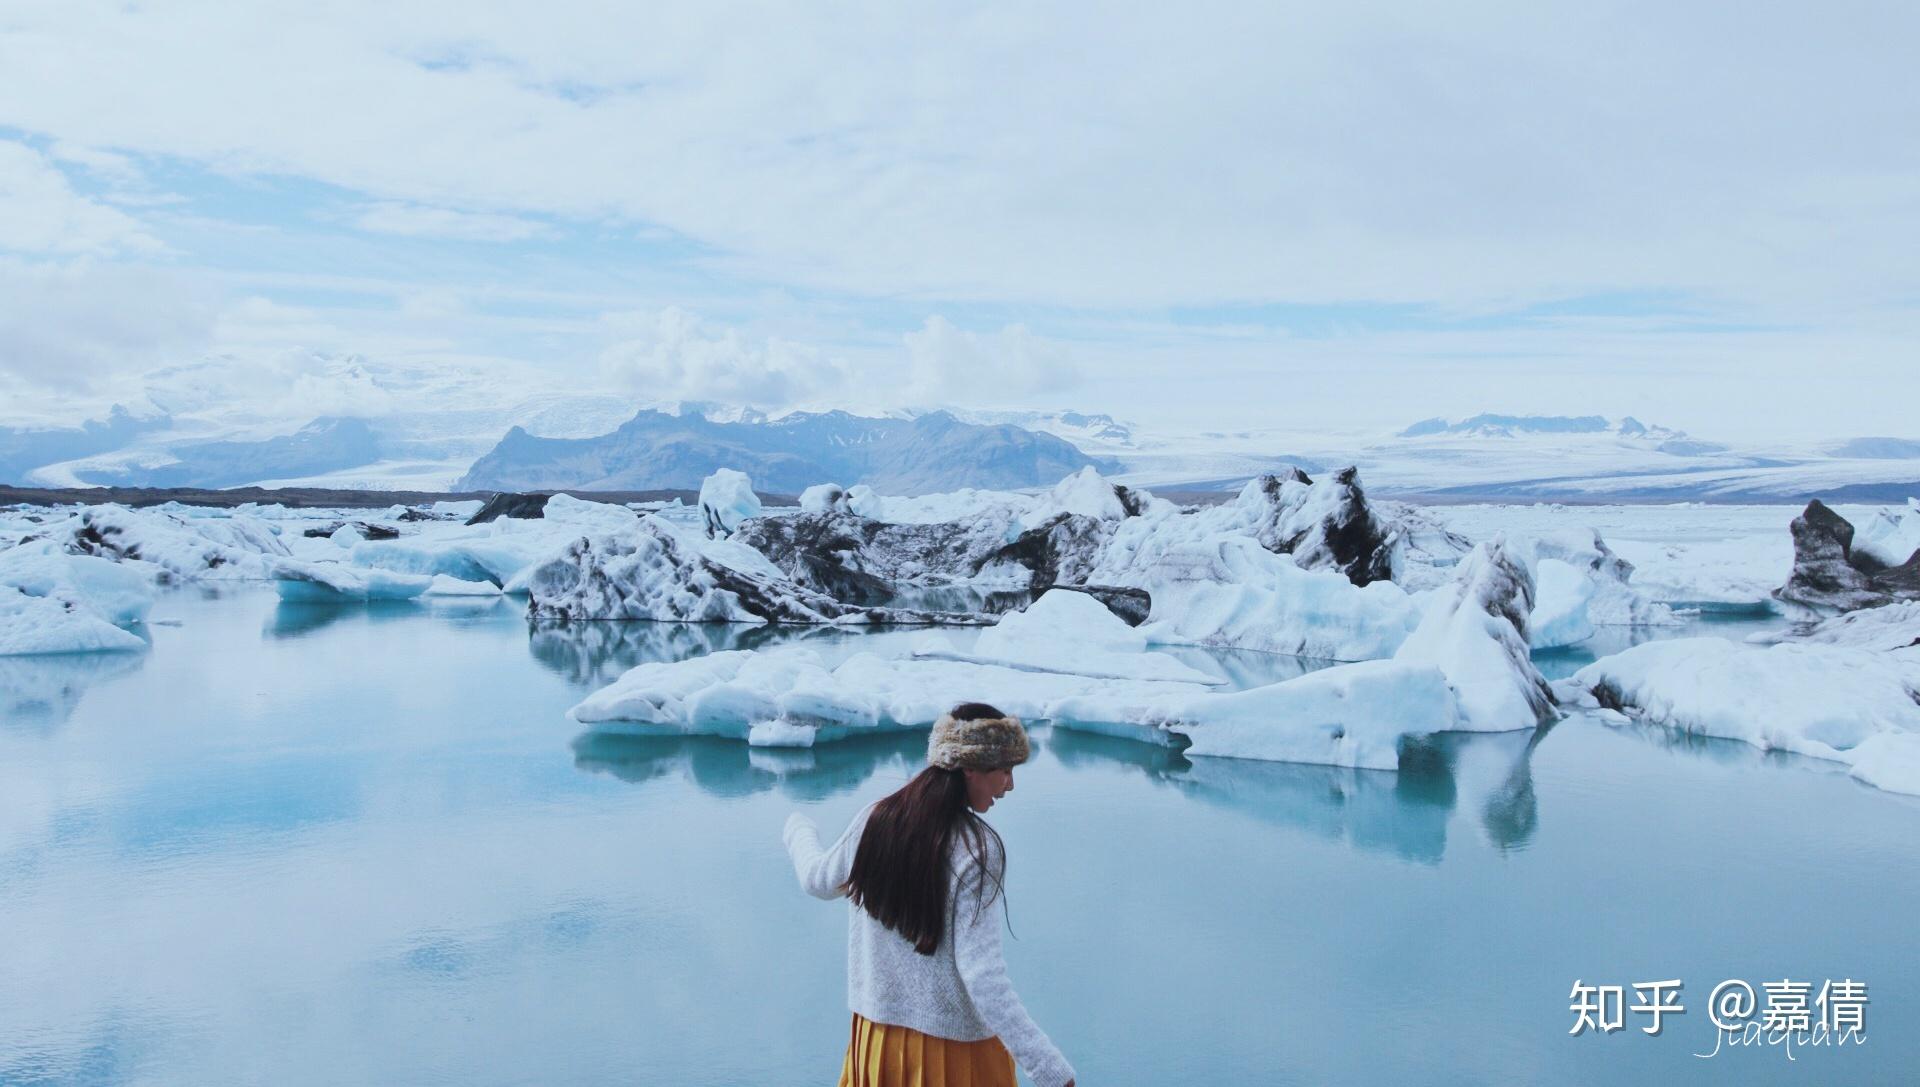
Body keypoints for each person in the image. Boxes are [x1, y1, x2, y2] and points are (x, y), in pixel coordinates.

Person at [783, 702, 1077, 1087]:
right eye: (1004, 770)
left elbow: (816, 880)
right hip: (955, 1054)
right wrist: (1049, 1069)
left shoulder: (876, 819)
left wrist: (798, 829)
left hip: (876, 1043)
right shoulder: (977, 849)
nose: (1010, 785)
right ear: (969, 767)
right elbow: (982, 976)